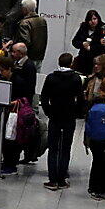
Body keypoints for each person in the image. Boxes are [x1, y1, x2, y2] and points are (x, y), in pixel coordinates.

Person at [40, 53, 83, 190]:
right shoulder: (76, 79)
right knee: (65, 148)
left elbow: (44, 97)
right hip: (69, 116)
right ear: (71, 64)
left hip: (55, 116)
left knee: (53, 148)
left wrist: (48, 112)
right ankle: (62, 178)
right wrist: (77, 112)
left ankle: (52, 180)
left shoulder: (51, 78)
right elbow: (81, 99)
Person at [11, 0, 47, 71]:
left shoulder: (24, 23)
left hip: (28, 58)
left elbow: (25, 42)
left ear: (25, 9)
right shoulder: (42, 20)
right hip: (40, 55)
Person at [71, 10, 105, 76]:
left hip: (96, 61)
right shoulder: (83, 27)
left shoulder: (102, 29)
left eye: (95, 19)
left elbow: (103, 47)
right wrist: (82, 44)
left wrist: (91, 48)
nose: (93, 21)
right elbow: (74, 42)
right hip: (83, 59)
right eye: (90, 19)